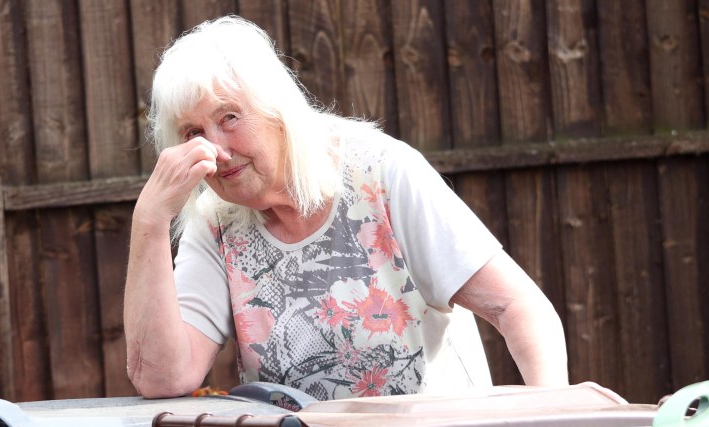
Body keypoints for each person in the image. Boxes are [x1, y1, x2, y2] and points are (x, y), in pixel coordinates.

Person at [125, 15, 568, 401]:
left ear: (277, 111)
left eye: (229, 118)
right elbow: (164, 378)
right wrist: (149, 221)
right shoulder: (217, 221)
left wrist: (553, 418)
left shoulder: (382, 174)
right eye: (192, 132)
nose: (216, 150)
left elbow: (517, 306)